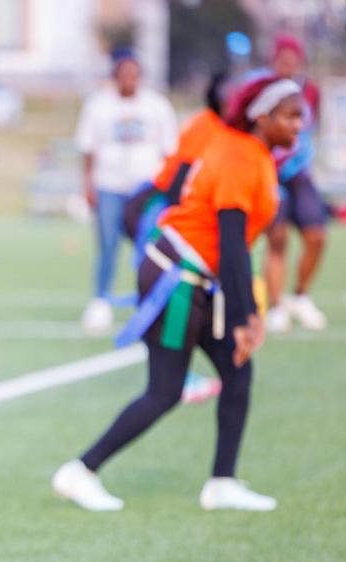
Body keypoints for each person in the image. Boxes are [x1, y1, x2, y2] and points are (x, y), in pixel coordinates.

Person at [52, 76, 303, 512]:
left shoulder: (250, 152)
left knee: (238, 374)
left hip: (198, 278)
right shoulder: (239, 156)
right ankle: (80, 471)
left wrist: (244, 314)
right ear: (262, 117)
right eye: (291, 115)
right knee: (165, 391)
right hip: (179, 280)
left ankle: (222, 482)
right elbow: (230, 245)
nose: (299, 125)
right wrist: (247, 317)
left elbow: (234, 246)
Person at [121, 72, 231, 405]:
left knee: (178, 300)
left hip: (165, 213)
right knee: (166, 293)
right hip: (160, 213)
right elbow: (178, 179)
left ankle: (175, 376)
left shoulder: (225, 133)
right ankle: (175, 378)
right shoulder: (206, 127)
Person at [75, 45, 178, 335]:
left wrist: (166, 189)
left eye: (134, 74)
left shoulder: (157, 106)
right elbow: (88, 147)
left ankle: (151, 300)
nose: (129, 80)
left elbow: (171, 150)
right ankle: (101, 301)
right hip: (109, 185)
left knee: (149, 248)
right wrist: (87, 183)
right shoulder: (98, 105)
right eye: (123, 74)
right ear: (115, 76)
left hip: (146, 191)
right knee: (107, 244)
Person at [262, 35, 329, 333]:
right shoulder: (262, 89)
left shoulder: (311, 90)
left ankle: (300, 296)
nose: (287, 64)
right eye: (282, 58)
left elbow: (314, 128)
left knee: (316, 236)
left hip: (300, 175)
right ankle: (276, 306)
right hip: (271, 174)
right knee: (277, 240)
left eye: (292, 58)